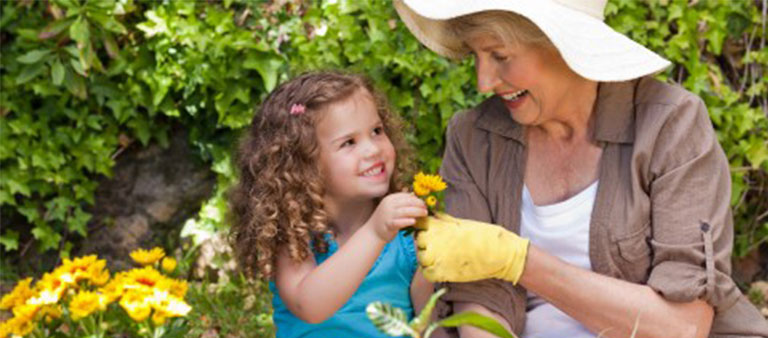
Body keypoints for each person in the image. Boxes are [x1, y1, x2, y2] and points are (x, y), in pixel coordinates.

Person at [393, 0, 768, 337]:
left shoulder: (670, 126)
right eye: (476, 56)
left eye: (500, 56)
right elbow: (478, 300)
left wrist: (520, 261)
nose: (483, 81)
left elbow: (683, 326)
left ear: (563, 47)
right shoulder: (474, 136)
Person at [228, 71, 433, 337]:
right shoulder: (294, 236)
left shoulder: (407, 237)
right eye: (349, 142)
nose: (373, 149)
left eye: (377, 131)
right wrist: (375, 233)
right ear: (304, 163)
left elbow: (428, 323)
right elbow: (310, 306)